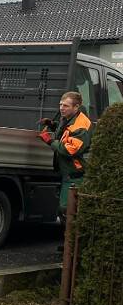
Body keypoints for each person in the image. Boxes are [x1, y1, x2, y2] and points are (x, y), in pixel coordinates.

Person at [38, 90, 93, 229]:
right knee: (67, 210)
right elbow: (64, 132)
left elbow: (70, 149)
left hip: (75, 175)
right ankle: (69, 243)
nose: (62, 108)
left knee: (67, 210)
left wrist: (50, 141)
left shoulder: (82, 126)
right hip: (67, 173)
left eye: (66, 105)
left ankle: (72, 244)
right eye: (61, 104)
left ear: (76, 107)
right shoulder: (68, 118)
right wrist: (52, 124)